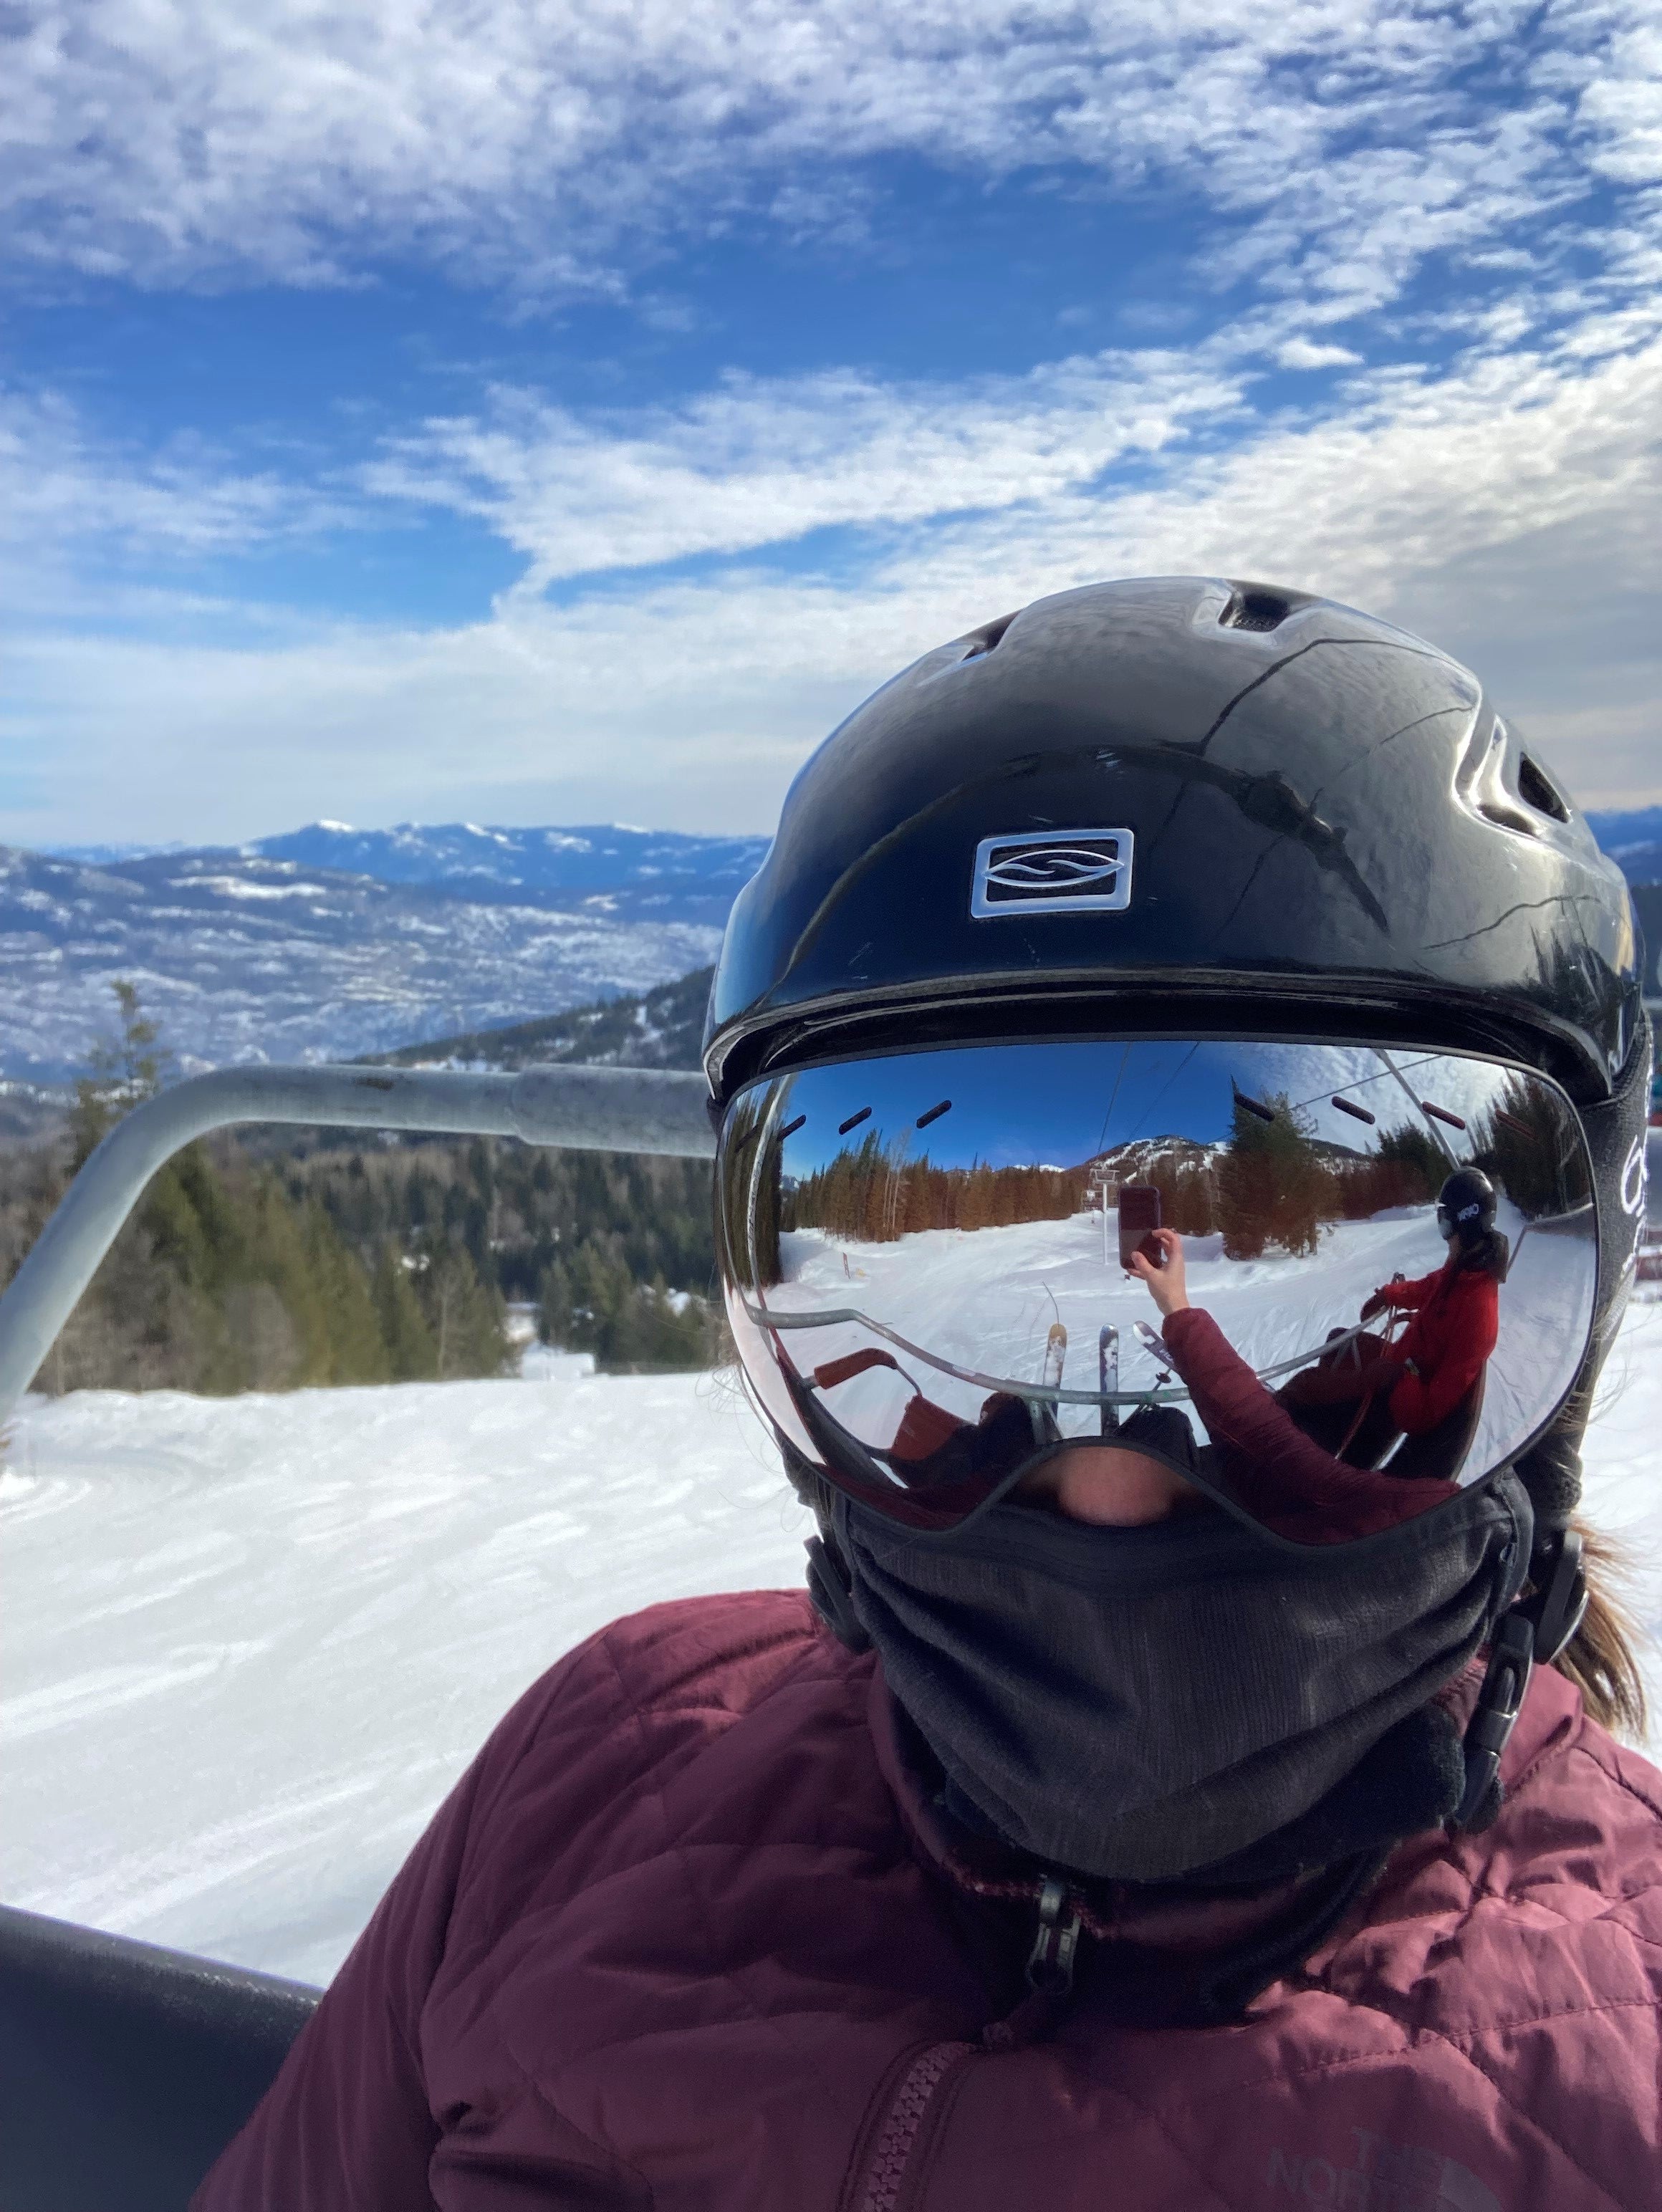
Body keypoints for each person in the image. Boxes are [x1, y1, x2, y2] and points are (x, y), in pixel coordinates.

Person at [196, 577, 1659, 2211]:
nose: (1105, 1499)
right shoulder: (594, 1766)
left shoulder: (1624, 2065)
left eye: (1317, 1289)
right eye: (845, 1285)